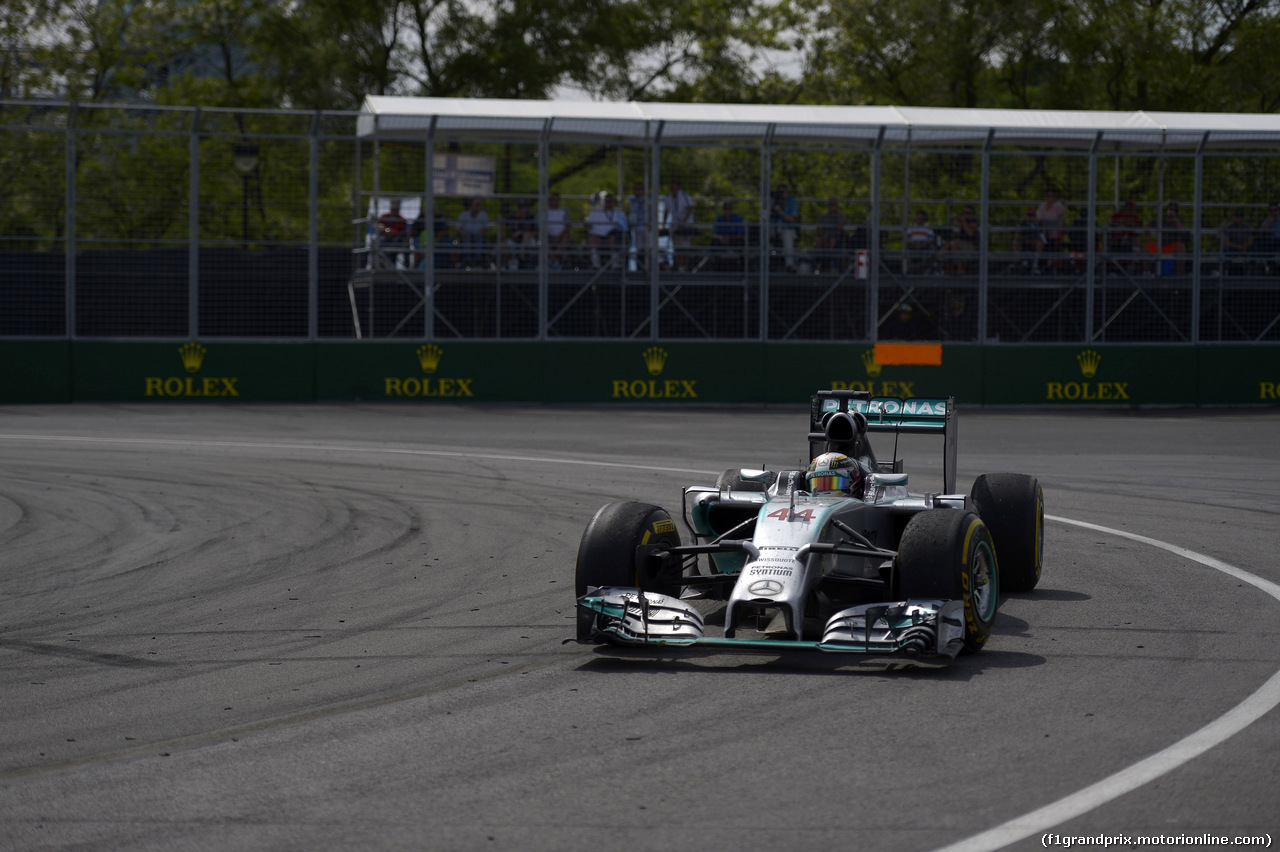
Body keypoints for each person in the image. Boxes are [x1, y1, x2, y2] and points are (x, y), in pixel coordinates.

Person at [585, 193, 628, 268]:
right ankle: (595, 264)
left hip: (613, 235)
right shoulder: (597, 211)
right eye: (607, 201)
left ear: (613, 202)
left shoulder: (619, 212)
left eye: (610, 201)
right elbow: (588, 224)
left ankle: (615, 264)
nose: (608, 203)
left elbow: (624, 227)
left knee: (612, 240)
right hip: (598, 235)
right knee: (592, 240)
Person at [663, 181, 695, 271]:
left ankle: (685, 266)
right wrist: (663, 224)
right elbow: (666, 211)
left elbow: (689, 210)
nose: (672, 189)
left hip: (686, 225)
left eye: (674, 187)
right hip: (675, 225)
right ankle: (680, 266)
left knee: (685, 246)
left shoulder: (685, 196)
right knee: (677, 247)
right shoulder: (668, 197)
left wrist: (683, 223)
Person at [770, 183, 800, 272]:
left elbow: (791, 219)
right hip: (773, 228)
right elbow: (767, 217)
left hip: (787, 228)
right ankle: (762, 263)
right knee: (762, 233)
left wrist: (780, 211)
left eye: (783, 192)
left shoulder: (792, 202)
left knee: (787, 236)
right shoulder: (774, 202)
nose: (781, 194)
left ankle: (789, 265)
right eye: (779, 192)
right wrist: (771, 205)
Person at [455, 197, 491, 268]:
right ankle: (467, 260)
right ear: (471, 205)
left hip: (479, 235)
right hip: (466, 235)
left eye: (479, 205)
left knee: (478, 237)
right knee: (467, 237)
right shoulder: (464, 214)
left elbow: (487, 227)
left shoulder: (483, 214)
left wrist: (482, 230)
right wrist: (463, 232)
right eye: (476, 205)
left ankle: (478, 259)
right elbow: (458, 227)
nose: (477, 207)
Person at [711, 200, 746, 271]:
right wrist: (721, 238)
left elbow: (742, 234)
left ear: (732, 210)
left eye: (729, 209)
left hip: (734, 241)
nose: (727, 211)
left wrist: (730, 238)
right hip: (722, 241)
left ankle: (743, 268)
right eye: (726, 209)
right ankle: (715, 266)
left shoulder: (737, 219)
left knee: (742, 243)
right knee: (714, 243)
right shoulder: (719, 219)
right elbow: (715, 234)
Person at [1107, 200, 1142, 269]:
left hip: (1129, 239)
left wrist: (1125, 224)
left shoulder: (1135, 217)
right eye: (1128, 207)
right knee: (1109, 237)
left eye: (1131, 207)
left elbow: (1135, 226)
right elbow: (1112, 224)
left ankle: (1132, 264)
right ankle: (1110, 263)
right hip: (1116, 238)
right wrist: (1123, 224)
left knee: (1136, 240)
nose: (1130, 209)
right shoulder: (1117, 215)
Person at [814, 197, 846, 271]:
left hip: (835, 238)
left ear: (836, 205)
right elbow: (818, 230)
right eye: (830, 204)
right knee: (818, 241)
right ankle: (818, 262)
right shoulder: (823, 217)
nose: (832, 206)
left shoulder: (840, 216)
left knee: (832, 241)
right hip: (824, 238)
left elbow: (840, 228)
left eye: (833, 204)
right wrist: (823, 238)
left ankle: (832, 262)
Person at [1219, 210, 1254, 276]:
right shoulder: (1229, 227)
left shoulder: (1246, 227)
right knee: (1226, 249)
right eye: (1235, 217)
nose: (1236, 219)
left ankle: (1250, 269)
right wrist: (1238, 247)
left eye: (1239, 217)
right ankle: (1228, 269)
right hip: (1233, 248)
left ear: (1242, 219)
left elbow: (1250, 241)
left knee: (1253, 248)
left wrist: (1245, 246)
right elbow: (1225, 242)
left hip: (1244, 247)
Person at [505, 199, 538, 269]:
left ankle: (524, 259)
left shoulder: (531, 217)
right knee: (503, 244)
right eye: (520, 207)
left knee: (527, 236)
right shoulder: (513, 217)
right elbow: (502, 225)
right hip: (515, 240)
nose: (522, 209)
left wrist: (523, 233)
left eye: (524, 207)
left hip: (529, 241)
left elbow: (535, 233)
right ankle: (499, 265)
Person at [375, 199, 408, 268]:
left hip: (396, 238)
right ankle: (381, 262)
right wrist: (386, 230)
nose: (394, 211)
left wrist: (393, 233)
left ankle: (391, 264)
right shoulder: (385, 216)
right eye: (393, 209)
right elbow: (378, 225)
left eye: (396, 209)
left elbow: (402, 232)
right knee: (380, 242)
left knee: (396, 244)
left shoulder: (401, 219)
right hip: (385, 237)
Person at [1013, 207, 1045, 273]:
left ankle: (1035, 264)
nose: (1030, 217)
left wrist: (1034, 240)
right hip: (1025, 242)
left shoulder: (1039, 225)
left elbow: (1043, 237)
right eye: (1029, 215)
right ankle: (1023, 261)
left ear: (1035, 216)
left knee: (1039, 243)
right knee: (1016, 242)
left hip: (1035, 242)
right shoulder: (1023, 224)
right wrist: (1023, 239)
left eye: (1032, 215)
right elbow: (1018, 235)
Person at [544, 191, 572, 269]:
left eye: (556, 199)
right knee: (541, 241)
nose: (554, 201)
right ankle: (555, 261)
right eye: (552, 199)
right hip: (548, 236)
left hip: (562, 236)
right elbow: (540, 227)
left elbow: (568, 226)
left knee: (566, 239)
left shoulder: (564, 210)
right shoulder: (544, 211)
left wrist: (559, 236)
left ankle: (553, 259)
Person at [1035, 190, 1066, 257]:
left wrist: (1058, 228)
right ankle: (1036, 260)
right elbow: (1038, 217)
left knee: (1046, 237)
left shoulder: (1058, 205)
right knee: (1039, 235)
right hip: (1042, 227)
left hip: (1053, 228)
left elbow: (1062, 217)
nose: (1050, 198)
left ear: (1054, 197)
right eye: (1048, 196)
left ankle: (1049, 260)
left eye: (1051, 196)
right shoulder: (1042, 205)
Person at [626, 181, 648, 270]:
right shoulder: (632, 200)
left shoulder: (648, 199)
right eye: (636, 189)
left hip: (646, 226)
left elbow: (652, 211)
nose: (637, 191)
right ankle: (640, 267)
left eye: (639, 189)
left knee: (648, 248)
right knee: (639, 248)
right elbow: (629, 211)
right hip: (636, 226)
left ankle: (648, 267)